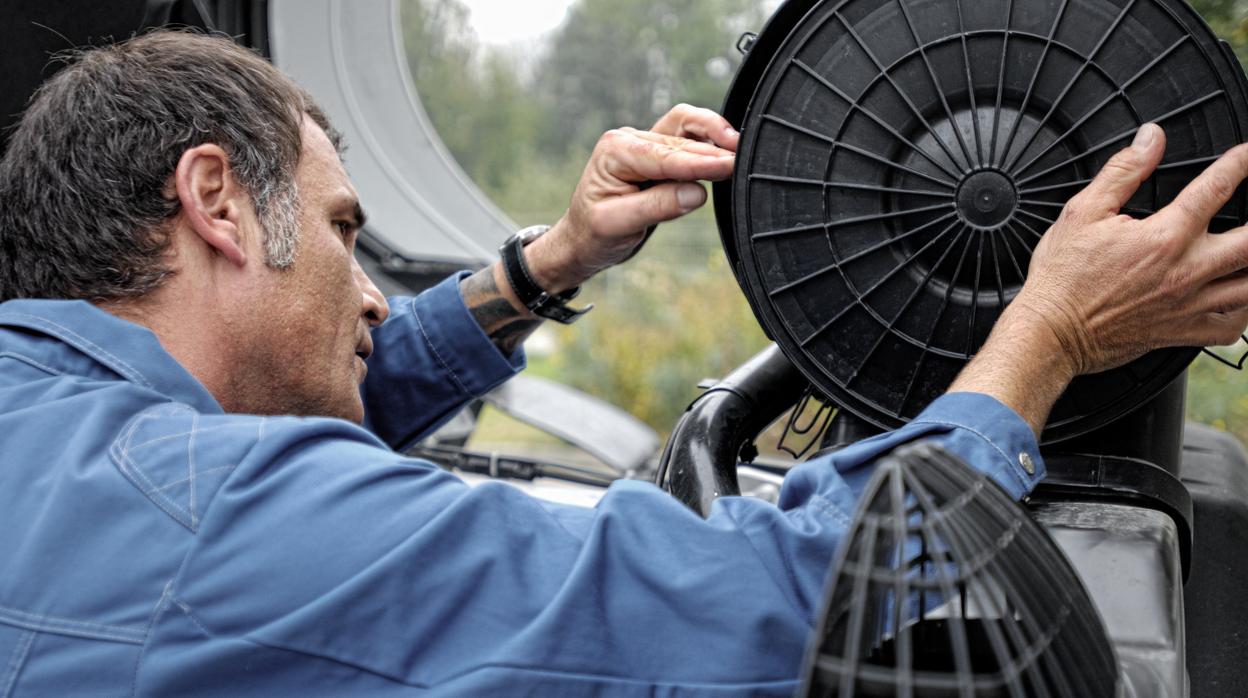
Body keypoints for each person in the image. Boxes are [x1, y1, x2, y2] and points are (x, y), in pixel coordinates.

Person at [0, 30, 1245, 696]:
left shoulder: (62, 427)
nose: (373, 287)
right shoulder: (215, 518)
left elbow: (255, 426)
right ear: (216, 201)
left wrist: (548, 262)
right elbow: (769, 601)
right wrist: (1054, 333)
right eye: (340, 229)